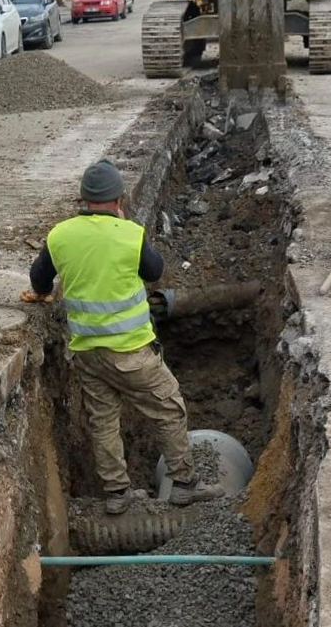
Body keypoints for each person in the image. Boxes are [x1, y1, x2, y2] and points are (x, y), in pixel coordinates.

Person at [29, 160, 224, 514]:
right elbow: (155, 270)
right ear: (119, 198)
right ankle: (183, 484)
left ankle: (117, 493)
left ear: (84, 199)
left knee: (103, 419)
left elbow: (39, 280)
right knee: (168, 409)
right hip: (132, 351)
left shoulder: (60, 234)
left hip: (87, 353)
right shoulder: (129, 234)